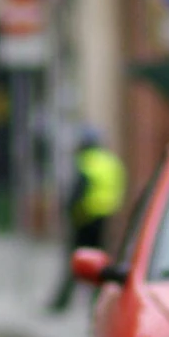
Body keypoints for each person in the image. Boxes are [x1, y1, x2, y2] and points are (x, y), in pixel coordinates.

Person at [48, 128, 126, 312]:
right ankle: (98, 300)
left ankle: (60, 302)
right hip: (105, 218)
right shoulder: (111, 162)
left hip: (84, 218)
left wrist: (68, 212)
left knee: (76, 261)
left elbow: (77, 192)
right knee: (100, 263)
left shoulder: (87, 163)